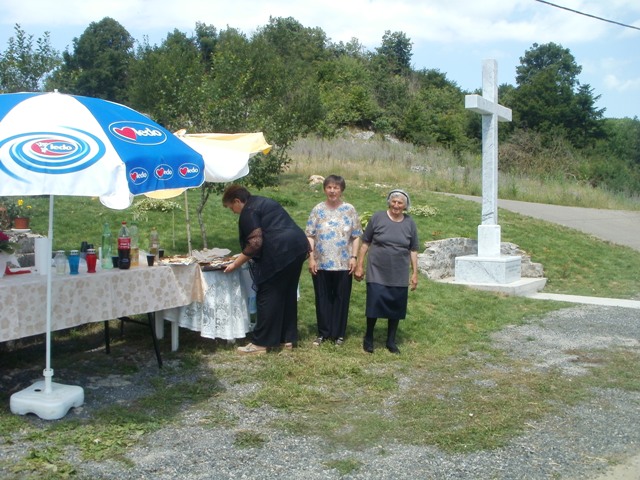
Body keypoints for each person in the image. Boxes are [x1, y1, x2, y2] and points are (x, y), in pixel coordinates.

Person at [222, 185, 310, 354]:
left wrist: (235, 264)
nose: (233, 211)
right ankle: (287, 340)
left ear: (237, 201)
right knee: (287, 293)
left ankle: (261, 344)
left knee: (267, 295)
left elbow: (255, 243)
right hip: (297, 247)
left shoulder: (248, 211)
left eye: (230, 207)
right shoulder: (263, 201)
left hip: (280, 251)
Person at [354, 189, 419, 354]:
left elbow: (413, 249)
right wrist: (360, 265)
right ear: (389, 202)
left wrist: (415, 273)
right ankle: (369, 338)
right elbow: (365, 243)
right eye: (394, 201)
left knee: (396, 305)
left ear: (405, 206)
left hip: (399, 271)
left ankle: (391, 341)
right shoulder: (378, 217)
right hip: (377, 270)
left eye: (400, 203)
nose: (396, 205)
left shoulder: (410, 223)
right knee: (374, 303)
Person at [305, 175, 362, 346]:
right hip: (321, 262)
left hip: (343, 263)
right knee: (322, 297)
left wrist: (354, 257)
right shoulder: (318, 209)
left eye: (336, 188)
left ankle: (339, 334)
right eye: (329, 187)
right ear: (324, 189)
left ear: (341, 190)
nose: (332, 191)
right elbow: (310, 234)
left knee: (341, 298)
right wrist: (311, 258)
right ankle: (323, 332)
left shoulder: (349, 209)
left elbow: (356, 236)